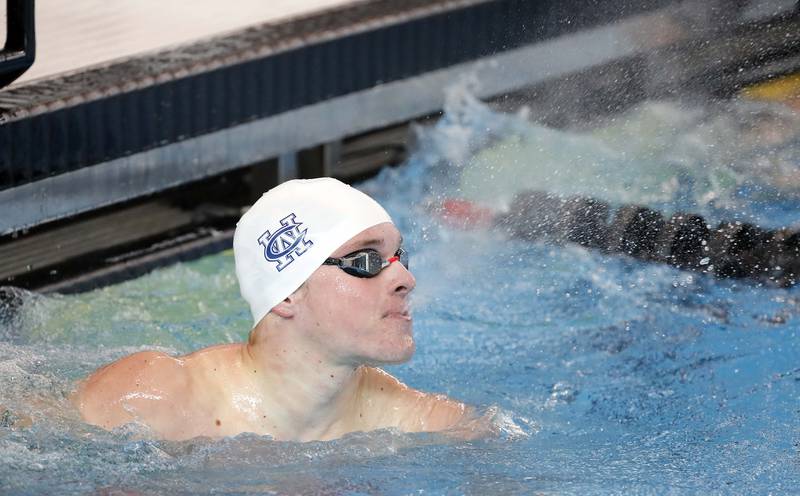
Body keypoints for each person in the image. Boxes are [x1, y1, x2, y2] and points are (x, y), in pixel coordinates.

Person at [75, 178, 480, 441]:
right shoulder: (149, 398)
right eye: (365, 262)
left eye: (399, 257)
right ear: (287, 293)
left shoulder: (435, 425)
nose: (405, 280)